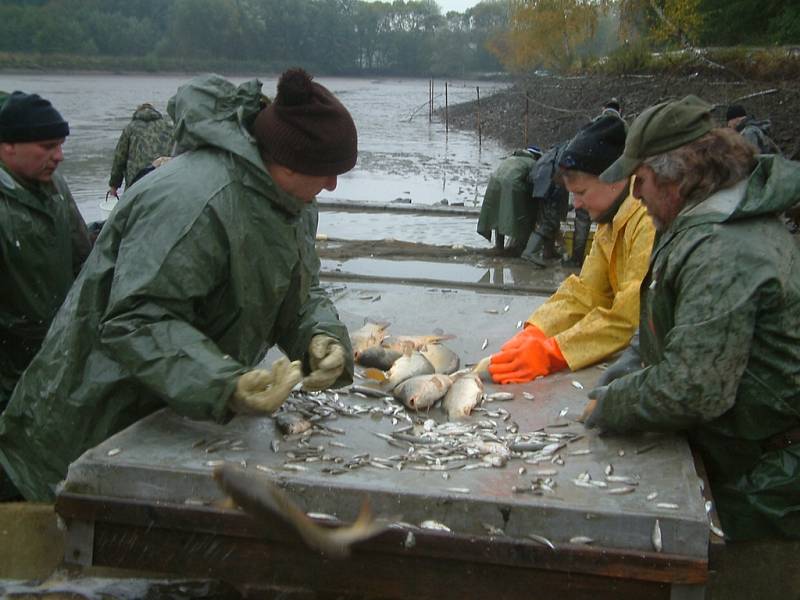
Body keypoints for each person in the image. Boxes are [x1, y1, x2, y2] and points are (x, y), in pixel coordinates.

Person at [0, 69, 357, 502]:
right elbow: (135, 320)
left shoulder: (294, 206)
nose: (333, 184)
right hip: (87, 423)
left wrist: (321, 336)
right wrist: (225, 384)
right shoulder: (191, 199)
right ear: (289, 159)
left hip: (168, 420)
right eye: (328, 171)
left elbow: (298, 290)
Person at [583, 95, 800, 541]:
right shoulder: (701, 219)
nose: (635, 194)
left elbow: (694, 389)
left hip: (762, 482)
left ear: (676, 176)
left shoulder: (724, 249)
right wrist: (622, 372)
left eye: (639, 180)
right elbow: (669, 320)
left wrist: (609, 406)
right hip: (733, 452)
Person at [489, 116, 655, 384]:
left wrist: (554, 352)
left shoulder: (648, 218)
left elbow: (630, 316)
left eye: (581, 192)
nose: (575, 204)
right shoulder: (611, 217)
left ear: (615, 179)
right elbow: (587, 291)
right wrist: (537, 331)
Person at [0, 92, 92, 413]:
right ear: (8, 144)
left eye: (61, 145)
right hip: (9, 360)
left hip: (55, 351)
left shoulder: (58, 189)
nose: (59, 156)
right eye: (48, 146)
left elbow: (85, 259)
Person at [477, 145, 542, 256]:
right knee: (523, 215)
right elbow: (534, 186)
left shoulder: (511, 158)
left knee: (498, 214)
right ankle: (521, 248)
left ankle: (499, 246)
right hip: (513, 187)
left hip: (495, 183)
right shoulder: (533, 163)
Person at [107, 102, 174, 197]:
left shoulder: (130, 128)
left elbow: (119, 159)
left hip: (136, 183)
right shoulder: (169, 127)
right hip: (164, 181)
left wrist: (114, 186)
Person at [519, 140, 569, 265]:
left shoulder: (551, 154)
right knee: (548, 222)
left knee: (551, 220)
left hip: (541, 188)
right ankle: (529, 253)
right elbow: (560, 177)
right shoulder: (565, 153)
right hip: (549, 189)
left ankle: (549, 251)